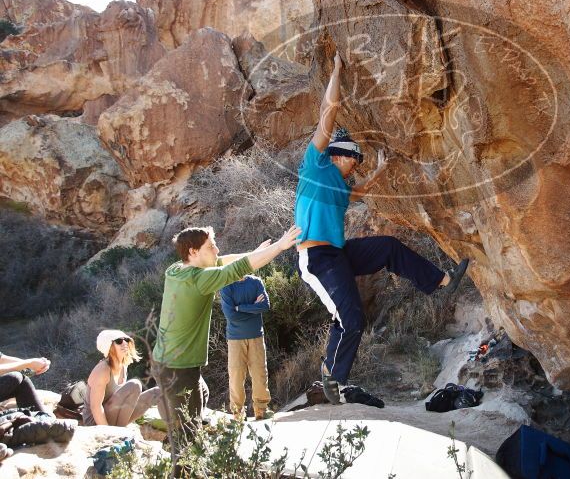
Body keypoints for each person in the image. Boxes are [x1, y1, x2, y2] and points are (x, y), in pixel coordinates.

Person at [295, 53, 470, 405]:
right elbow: (327, 115)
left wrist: (377, 171)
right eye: (355, 160)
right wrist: (337, 72)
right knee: (351, 318)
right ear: (341, 156)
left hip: (338, 253)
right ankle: (334, 384)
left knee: (388, 247)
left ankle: (440, 283)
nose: (356, 166)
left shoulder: (342, 185)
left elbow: (357, 192)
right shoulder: (315, 166)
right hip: (315, 257)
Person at [151, 224, 300, 454]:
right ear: (193, 252)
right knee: (186, 438)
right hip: (179, 368)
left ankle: (183, 434)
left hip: (165, 363)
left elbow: (225, 261)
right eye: (211, 246)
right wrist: (279, 247)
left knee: (202, 393)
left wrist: (253, 252)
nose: (217, 250)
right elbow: (236, 268)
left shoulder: (176, 270)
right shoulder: (200, 280)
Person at [84, 330, 162, 427]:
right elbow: (96, 407)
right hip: (96, 422)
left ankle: (175, 431)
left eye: (126, 340)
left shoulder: (123, 366)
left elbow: (124, 404)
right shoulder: (102, 370)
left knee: (157, 392)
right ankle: (121, 432)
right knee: (134, 385)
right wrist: (107, 432)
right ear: (109, 346)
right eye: (119, 341)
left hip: (113, 416)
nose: (125, 343)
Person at [220, 275, 272, 420]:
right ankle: (238, 415)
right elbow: (231, 315)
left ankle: (261, 411)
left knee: (260, 373)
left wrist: (240, 307)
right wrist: (252, 308)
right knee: (236, 376)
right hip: (235, 339)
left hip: (256, 335)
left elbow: (265, 305)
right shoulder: (226, 286)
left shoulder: (256, 282)